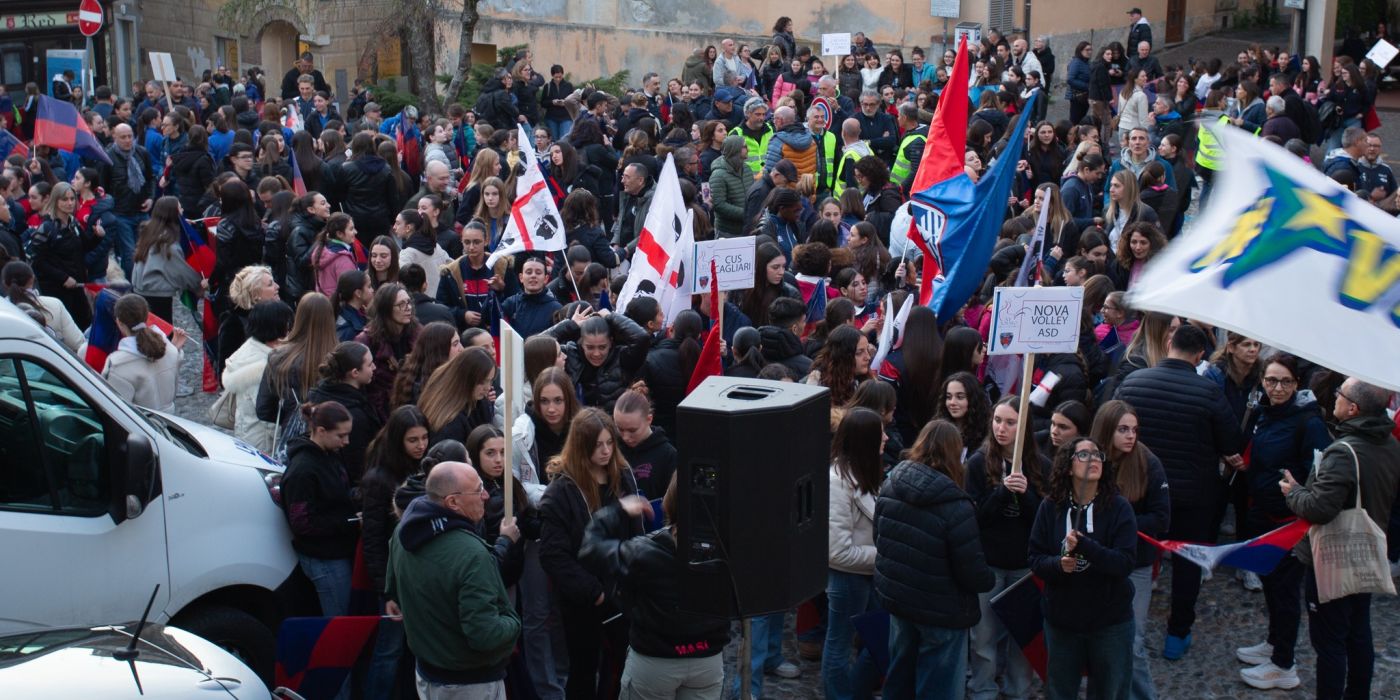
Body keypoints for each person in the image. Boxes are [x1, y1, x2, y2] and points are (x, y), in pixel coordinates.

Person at [1115, 324, 1243, 660]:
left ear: (1169, 342)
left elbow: (1110, 424)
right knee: (1188, 565)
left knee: (1136, 560)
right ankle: (1177, 633)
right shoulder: (1208, 392)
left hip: (1140, 489)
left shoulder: (1133, 382)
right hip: (1193, 496)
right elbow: (1231, 441)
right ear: (1200, 355)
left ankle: (1125, 627)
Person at [1281, 377, 1400, 700]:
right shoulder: (1389, 443)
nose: (1334, 398)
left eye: (1340, 393)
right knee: (1359, 631)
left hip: (1333, 558)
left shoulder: (1344, 452)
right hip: (1367, 551)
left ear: (1352, 407)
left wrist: (1295, 492)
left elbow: (1318, 508)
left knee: (1330, 641)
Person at [874, 419, 994, 699]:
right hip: (942, 611)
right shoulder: (956, 505)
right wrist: (989, 579)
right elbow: (972, 572)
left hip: (900, 602)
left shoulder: (891, 486)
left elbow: (879, 537)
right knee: (939, 686)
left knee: (899, 676)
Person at [1233, 353, 1330, 691]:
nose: (1277, 388)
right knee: (1272, 586)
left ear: (1296, 384)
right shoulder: (1263, 413)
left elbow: (1321, 472)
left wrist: (1298, 491)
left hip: (1291, 521)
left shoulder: (1309, 422)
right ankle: (1274, 643)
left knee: (1286, 592)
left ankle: (1284, 665)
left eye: (1285, 381)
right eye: (1271, 380)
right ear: (1262, 381)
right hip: (1264, 514)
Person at [387, 460, 521, 698]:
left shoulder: (402, 533)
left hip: (428, 674)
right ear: (452, 502)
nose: (486, 495)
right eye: (478, 489)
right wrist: (514, 622)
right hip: (469, 684)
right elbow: (485, 635)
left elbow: (394, 591)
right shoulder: (470, 554)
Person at [540, 408, 643, 700]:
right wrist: (593, 592)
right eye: (598, 445)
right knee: (583, 670)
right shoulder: (561, 492)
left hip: (622, 592)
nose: (606, 451)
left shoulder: (621, 476)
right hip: (584, 601)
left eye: (610, 443)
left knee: (620, 669)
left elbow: (636, 534)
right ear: (581, 446)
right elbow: (553, 555)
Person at [1027, 438, 1139, 700]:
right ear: (1068, 467)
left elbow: (1124, 563)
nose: (1094, 460)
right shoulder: (1050, 507)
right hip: (1063, 622)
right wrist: (1057, 565)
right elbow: (1034, 557)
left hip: (1110, 623)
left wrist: (1087, 547)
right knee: (1059, 691)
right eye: (1084, 455)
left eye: (1098, 454)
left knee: (1109, 692)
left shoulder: (1119, 508)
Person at [964, 395, 1049, 700]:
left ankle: (1018, 689)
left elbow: (1045, 520)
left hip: (1025, 565)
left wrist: (1025, 495)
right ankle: (983, 690)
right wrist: (1001, 492)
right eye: (997, 420)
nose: (1001, 428)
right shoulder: (977, 463)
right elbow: (975, 517)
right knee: (982, 636)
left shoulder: (1041, 465)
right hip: (990, 561)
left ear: (1023, 426)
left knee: (1021, 636)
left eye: (1010, 422)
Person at [1091, 399, 1170, 699]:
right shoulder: (1088, 457)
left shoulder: (1148, 463)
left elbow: (1162, 519)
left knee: (1131, 641)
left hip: (1135, 565)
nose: (1130, 436)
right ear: (1106, 429)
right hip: (1096, 561)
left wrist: (1122, 524)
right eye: (1123, 429)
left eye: (1134, 430)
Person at [359, 404, 430, 700]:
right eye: (413, 440)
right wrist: (386, 592)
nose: (421, 445)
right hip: (395, 581)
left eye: (425, 438)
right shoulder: (379, 480)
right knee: (389, 650)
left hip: (420, 577)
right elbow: (373, 540)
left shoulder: (425, 469)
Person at [823, 408, 885, 700]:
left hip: (869, 575)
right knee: (839, 645)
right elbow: (836, 552)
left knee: (881, 640)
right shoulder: (837, 481)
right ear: (866, 440)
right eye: (880, 432)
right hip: (847, 579)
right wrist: (884, 555)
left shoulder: (866, 472)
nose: (886, 437)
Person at [282, 400, 359, 618]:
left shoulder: (327, 453)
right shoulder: (303, 470)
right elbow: (302, 523)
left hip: (335, 551)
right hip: (324, 557)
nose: (346, 442)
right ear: (321, 431)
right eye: (341, 436)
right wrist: (349, 522)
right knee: (338, 618)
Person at [543, 308, 651, 411]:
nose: (596, 354)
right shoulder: (570, 354)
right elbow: (535, 346)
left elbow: (642, 338)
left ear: (610, 342)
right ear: (581, 342)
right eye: (590, 347)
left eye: (602, 347)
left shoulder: (621, 357)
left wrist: (611, 316)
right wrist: (571, 324)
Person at [221, 300, 293, 454]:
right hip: (263, 441)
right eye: (287, 323)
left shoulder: (251, 349)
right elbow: (266, 411)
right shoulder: (261, 365)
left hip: (249, 431)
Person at [307, 341, 382, 484]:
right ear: (355, 373)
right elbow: (356, 460)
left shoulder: (321, 393)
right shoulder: (351, 415)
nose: (374, 367)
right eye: (369, 364)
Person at [26, 182, 97, 328]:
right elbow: (38, 261)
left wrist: (98, 236)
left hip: (77, 286)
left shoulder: (73, 223)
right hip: (56, 290)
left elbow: (85, 247)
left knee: (85, 324)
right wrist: (63, 277)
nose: (70, 203)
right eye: (65, 199)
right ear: (55, 200)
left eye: (72, 199)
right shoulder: (47, 228)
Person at [103, 294, 185, 411]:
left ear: (119, 322)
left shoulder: (117, 365)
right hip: (170, 421)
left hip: (140, 427)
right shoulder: (171, 350)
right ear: (147, 317)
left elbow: (115, 411)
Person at [355, 283, 421, 421]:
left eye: (409, 302)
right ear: (386, 309)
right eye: (401, 304)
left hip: (415, 407)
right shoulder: (366, 341)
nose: (408, 308)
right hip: (380, 412)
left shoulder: (418, 333)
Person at [419, 346, 497, 446]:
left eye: (490, 381)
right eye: (481, 382)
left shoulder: (478, 402)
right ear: (465, 379)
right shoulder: (450, 425)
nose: (488, 387)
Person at [613, 390, 677, 502]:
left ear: (649, 419)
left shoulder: (668, 455)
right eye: (620, 429)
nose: (626, 437)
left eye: (632, 430)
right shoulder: (612, 447)